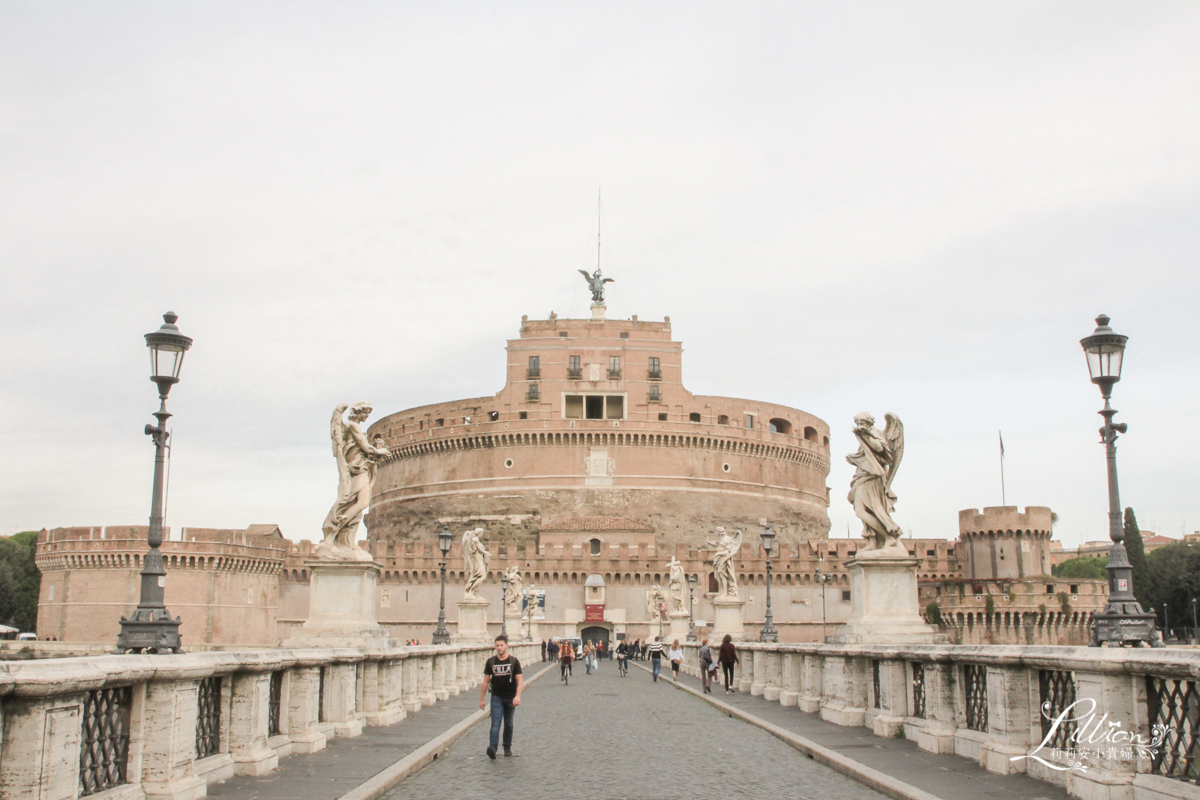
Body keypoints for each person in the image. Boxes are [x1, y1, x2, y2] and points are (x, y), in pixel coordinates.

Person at [480, 634, 523, 759]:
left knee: (508, 723)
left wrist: (518, 696)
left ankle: (507, 747)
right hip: (496, 697)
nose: (499, 648)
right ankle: (493, 748)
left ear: (507, 646)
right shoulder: (491, 662)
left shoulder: (513, 662)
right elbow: (486, 681)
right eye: (497, 646)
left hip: (510, 697)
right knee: (495, 723)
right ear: (495, 647)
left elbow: (519, 681)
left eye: (501, 645)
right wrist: (482, 699)